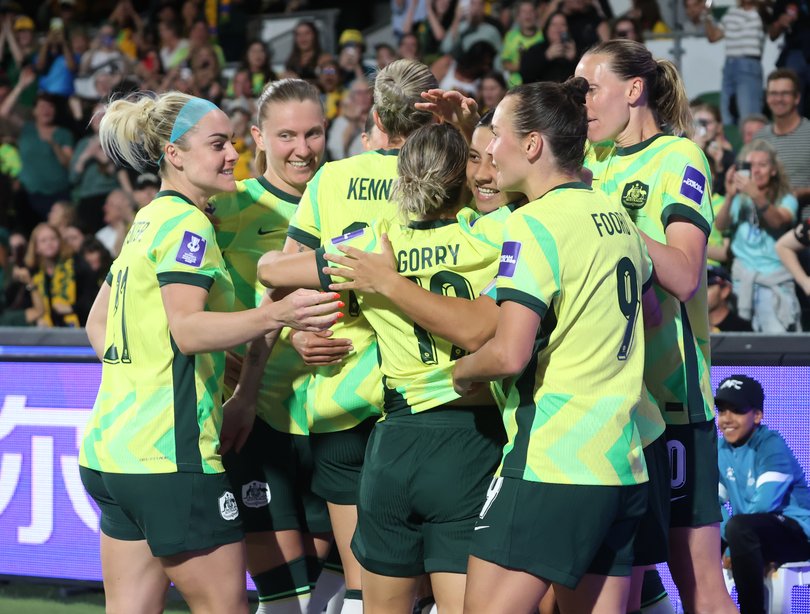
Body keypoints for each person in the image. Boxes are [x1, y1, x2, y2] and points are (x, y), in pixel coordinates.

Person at [76, 91, 341, 614]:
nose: (232, 156)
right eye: (218, 144)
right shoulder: (189, 224)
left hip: (113, 454)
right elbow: (188, 332)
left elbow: (97, 322)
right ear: (174, 154)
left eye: (234, 143)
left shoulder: (149, 218)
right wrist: (276, 315)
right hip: (170, 457)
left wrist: (152, 369)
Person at [261, 121, 507, 614]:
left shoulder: (372, 244)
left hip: (394, 444)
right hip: (471, 438)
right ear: (461, 179)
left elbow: (270, 269)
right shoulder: (494, 233)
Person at [451, 78, 651, 613]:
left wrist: (461, 372)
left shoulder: (534, 223)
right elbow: (648, 312)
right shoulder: (617, 217)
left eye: (496, 137)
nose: (490, 150)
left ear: (533, 144)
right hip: (622, 463)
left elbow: (509, 354)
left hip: (555, 459)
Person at [576, 40, 738, 614]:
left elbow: (687, 274)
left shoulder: (679, 158)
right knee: (611, 579)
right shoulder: (587, 163)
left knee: (696, 579)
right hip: (609, 406)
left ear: (634, 89)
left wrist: (608, 221)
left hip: (672, 403)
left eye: (590, 87)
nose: (581, 101)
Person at [277, 58, 439, 614]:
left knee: (362, 584)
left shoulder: (333, 178)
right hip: (427, 391)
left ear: (374, 115)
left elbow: (283, 273)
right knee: (435, 579)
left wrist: (296, 334)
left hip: (341, 388)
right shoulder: (445, 174)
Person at [210, 78, 338, 614]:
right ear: (258, 137)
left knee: (335, 593)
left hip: (338, 421)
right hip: (257, 419)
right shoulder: (228, 207)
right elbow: (167, 297)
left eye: (314, 134)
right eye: (287, 136)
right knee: (288, 598)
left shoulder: (344, 197)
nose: (302, 149)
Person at [716, 374, 810, 614]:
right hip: (751, 535)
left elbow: (765, 504)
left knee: (739, 528)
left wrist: (730, 545)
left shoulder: (771, 444)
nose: (726, 419)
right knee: (698, 531)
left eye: (736, 410)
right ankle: (704, 606)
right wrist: (723, 538)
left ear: (757, 415)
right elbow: (710, 504)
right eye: (722, 410)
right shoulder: (720, 449)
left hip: (797, 534)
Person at [714, 139, 800, 332]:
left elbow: (779, 221)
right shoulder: (739, 198)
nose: (757, 171)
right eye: (751, 166)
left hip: (774, 282)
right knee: (745, 350)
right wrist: (729, 196)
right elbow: (720, 225)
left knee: (778, 349)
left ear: (774, 170)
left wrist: (756, 196)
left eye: (763, 165)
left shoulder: (786, 197)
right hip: (742, 282)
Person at [705, 0, 766, 126]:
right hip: (729, 65)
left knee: (750, 116)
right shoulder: (732, 12)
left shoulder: (763, 10)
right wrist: (707, 15)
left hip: (749, 64)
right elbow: (714, 36)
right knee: (726, 115)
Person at [754, 69, 810, 205]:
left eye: (785, 94)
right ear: (767, 98)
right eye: (773, 93)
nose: (778, 99)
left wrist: (797, 194)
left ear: (797, 98)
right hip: (767, 221)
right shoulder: (760, 137)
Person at [519, 11, 577, 84]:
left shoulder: (574, 49)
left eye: (563, 24)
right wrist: (546, 57)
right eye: (554, 24)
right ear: (547, 29)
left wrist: (573, 60)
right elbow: (526, 75)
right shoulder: (535, 50)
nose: (558, 29)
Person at [707, 266, 753, 331]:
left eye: (706, 287)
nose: (698, 293)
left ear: (725, 291)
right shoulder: (689, 329)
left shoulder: (742, 331)